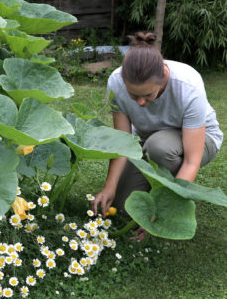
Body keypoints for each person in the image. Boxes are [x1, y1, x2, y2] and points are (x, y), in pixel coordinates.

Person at [90, 32, 223, 240]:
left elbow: (191, 161)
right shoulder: (116, 82)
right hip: (145, 142)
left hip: (200, 141)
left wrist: (164, 212)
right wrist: (109, 187)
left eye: (148, 95)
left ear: (163, 77)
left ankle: (166, 192)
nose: (140, 103)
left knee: (159, 147)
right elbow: (123, 143)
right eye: (134, 96)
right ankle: (153, 184)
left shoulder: (188, 85)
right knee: (125, 206)